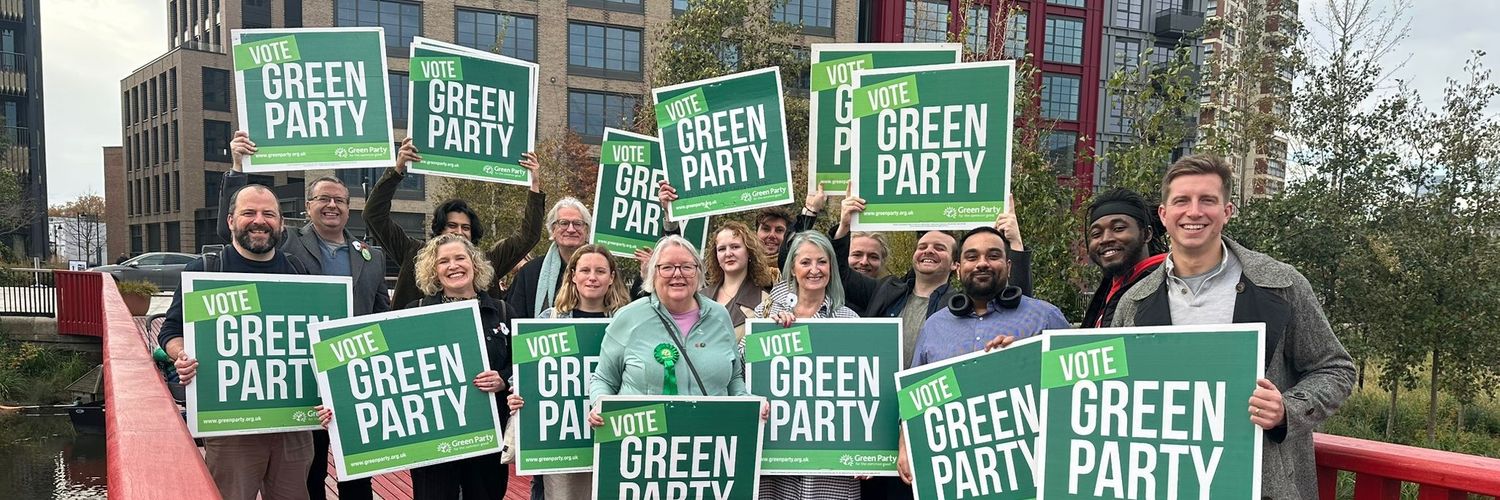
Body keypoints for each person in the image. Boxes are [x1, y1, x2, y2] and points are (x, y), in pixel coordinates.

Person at [1111, 154, 1354, 500]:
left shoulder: (1281, 285)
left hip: (1261, 484)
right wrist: (1015, 358)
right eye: (1182, 201)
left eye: (1207, 200)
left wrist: (1288, 408)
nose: (1194, 212)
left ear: (1227, 212)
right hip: (1167, 485)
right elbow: (1102, 386)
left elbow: (1335, 368)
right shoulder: (1134, 303)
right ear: (1164, 215)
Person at [218, 131, 390, 500]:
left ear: (349, 207)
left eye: (340, 200)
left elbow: (380, 314)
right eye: (323, 199)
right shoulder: (288, 241)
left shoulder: (371, 256)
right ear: (308, 206)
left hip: (352, 373)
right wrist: (237, 167)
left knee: (358, 470)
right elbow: (239, 230)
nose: (332, 206)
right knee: (307, 471)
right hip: (300, 373)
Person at [319, 234, 513, 500]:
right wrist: (338, 403)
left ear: (475, 264)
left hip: (486, 439)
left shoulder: (502, 312)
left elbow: (522, 369)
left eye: (460, 258)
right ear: (434, 271)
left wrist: (503, 379)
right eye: (443, 261)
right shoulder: (415, 312)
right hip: (431, 441)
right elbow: (380, 370)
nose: (453, 265)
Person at [158, 184, 313, 500]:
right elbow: (171, 330)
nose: (259, 220)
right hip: (232, 424)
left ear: (281, 223)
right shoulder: (206, 270)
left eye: (268, 214)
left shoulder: (296, 270)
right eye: (249, 213)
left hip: (292, 423)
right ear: (230, 221)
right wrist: (182, 354)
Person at [897, 226, 1070, 485]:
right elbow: (913, 396)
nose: (982, 264)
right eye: (972, 257)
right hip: (953, 473)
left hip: (1023, 474)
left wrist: (1028, 360)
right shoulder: (935, 324)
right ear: (958, 267)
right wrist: (905, 446)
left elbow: (1074, 389)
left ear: (1008, 265)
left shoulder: (1045, 316)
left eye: (992, 256)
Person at [505, 244, 630, 499]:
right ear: (573, 275)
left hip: (611, 436)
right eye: (584, 270)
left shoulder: (627, 323)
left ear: (611, 277)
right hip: (560, 442)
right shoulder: (547, 321)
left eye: (600, 271)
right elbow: (521, 376)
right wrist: (517, 394)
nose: (592, 277)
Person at [365, 138, 546, 308]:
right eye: (452, 225)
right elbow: (374, 215)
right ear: (439, 229)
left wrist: (534, 184)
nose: (459, 232)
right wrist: (397, 170)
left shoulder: (488, 263)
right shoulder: (412, 253)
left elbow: (528, 235)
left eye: (465, 227)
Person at [753, 230, 860, 500]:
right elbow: (743, 369)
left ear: (832, 268)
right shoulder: (766, 314)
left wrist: (870, 450)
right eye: (805, 262)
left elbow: (866, 389)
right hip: (777, 457)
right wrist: (771, 335)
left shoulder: (849, 320)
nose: (815, 270)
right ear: (792, 269)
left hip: (831, 464)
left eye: (822, 262)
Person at [588, 235, 748, 402]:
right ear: (653, 274)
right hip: (648, 427)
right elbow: (603, 380)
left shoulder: (720, 316)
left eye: (687, 267)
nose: (678, 274)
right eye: (667, 267)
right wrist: (600, 404)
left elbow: (734, 378)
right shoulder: (628, 317)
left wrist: (747, 401)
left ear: (698, 272)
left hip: (709, 426)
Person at [1081, 188, 1168, 328]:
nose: (1105, 239)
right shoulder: (1109, 292)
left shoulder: (1168, 285)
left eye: (1118, 228)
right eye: (1096, 234)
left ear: (1147, 234)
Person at [507, 197, 593, 318]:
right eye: (564, 223)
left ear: (587, 230)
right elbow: (515, 321)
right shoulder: (530, 272)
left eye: (578, 224)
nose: (571, 229)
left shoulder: (602, 271)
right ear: (553, 230)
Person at [702, 221, 777, 340]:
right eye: (721, 249)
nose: (728, 253)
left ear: (749, 252)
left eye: (735, 247)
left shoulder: (765, 302)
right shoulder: (700, 298)